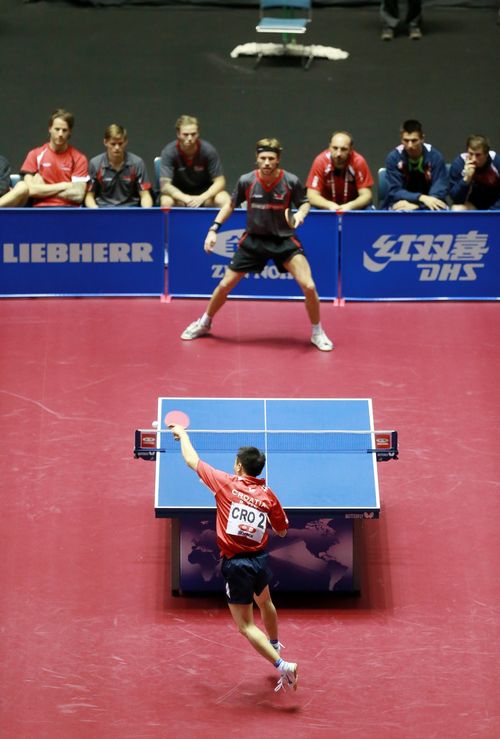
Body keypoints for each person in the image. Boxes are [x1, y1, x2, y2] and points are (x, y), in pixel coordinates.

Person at [169, 422, 298, 693]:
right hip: (259, 559)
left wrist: (182, 434)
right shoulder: (268, 496)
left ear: (239, 467)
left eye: (235, 462)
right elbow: (284, 531)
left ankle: (281, 664)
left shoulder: (225, 483)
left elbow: (192, 460)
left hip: (237, 565)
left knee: (245, 626)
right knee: (265, 601)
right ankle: (273, 642)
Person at [180, 138, 334, 352]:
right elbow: (231, 205)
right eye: (263, 158)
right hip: (254, 240)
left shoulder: (290, 181)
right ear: (257, 159)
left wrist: (301, 214)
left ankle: (317, 332)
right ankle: (204, 322)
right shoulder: (246, 181)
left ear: (278, 159)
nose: (267, 162)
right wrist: (213, 229)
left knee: (309, 286)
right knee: (225, 285)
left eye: (271, 158)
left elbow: (305, 202)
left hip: (283, 240)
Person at [159, 115, 230, 208]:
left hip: (204, 195)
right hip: (179, 196)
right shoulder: (169, 152)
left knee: (224, 199)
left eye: (193, 134)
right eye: (185, 134)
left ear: (198, 133)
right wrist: (185, 198)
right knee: (166, 201)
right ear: (178, 134)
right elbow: (165, 185)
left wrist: (202, 197)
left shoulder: (208, 151)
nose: (189, 138)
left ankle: (217, 223)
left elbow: (220, 181)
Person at [21, 108, 88, 207]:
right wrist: (64, 185)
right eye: (57, 129)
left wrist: (43, 188)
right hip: (41, 212)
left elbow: (79, 195)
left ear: (70, 132)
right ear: (50, 129)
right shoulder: (35, 155)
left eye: (64, 130)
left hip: (70, 212)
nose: (60, 134)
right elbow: (31, 190)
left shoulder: (79, 158)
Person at [382, 119, 448, 211]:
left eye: (414, 140)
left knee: (440, 207)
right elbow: (395, 191)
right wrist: (421, 198)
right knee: (396, 209)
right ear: (401, 139)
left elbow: (439, 191)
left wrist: (418, 207)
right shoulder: (393, 158)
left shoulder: (435, 157)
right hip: (402, 203)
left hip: (430, 203)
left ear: (422, 139)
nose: (410, 145)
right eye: (406, 140)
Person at [85, 124, 153, 208]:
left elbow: (145, 195)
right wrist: (96, 212)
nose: (117, 147)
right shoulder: (95, 164)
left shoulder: (137, 163)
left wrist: (146, 213)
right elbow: (89, 196)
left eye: (120, 143)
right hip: (104, 209)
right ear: (105, 142)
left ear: (126, 142)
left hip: (130, 210)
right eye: (113, 144)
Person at [306, 131, 374, 211]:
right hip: (326, 205)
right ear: (329, 147)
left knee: (369, 210)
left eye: (344, 149)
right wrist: (329, 205)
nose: (338, 154)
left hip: (352, 206)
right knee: (310, 211)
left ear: (351, 150)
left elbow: (366, 195)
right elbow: (311, 196)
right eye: (335, 148)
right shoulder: (321, 161)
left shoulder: (358, 162)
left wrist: (350, 206)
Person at [449, 135, 500, 211]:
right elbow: (456, 199)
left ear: (486, 154)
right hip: (473, 205)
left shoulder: (496, 162)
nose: (474, 159)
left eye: (478, 155)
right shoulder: (459, 164)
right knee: (457, 209)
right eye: (471, 154)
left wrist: (491, 211)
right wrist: (466, 179)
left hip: (495, 206)